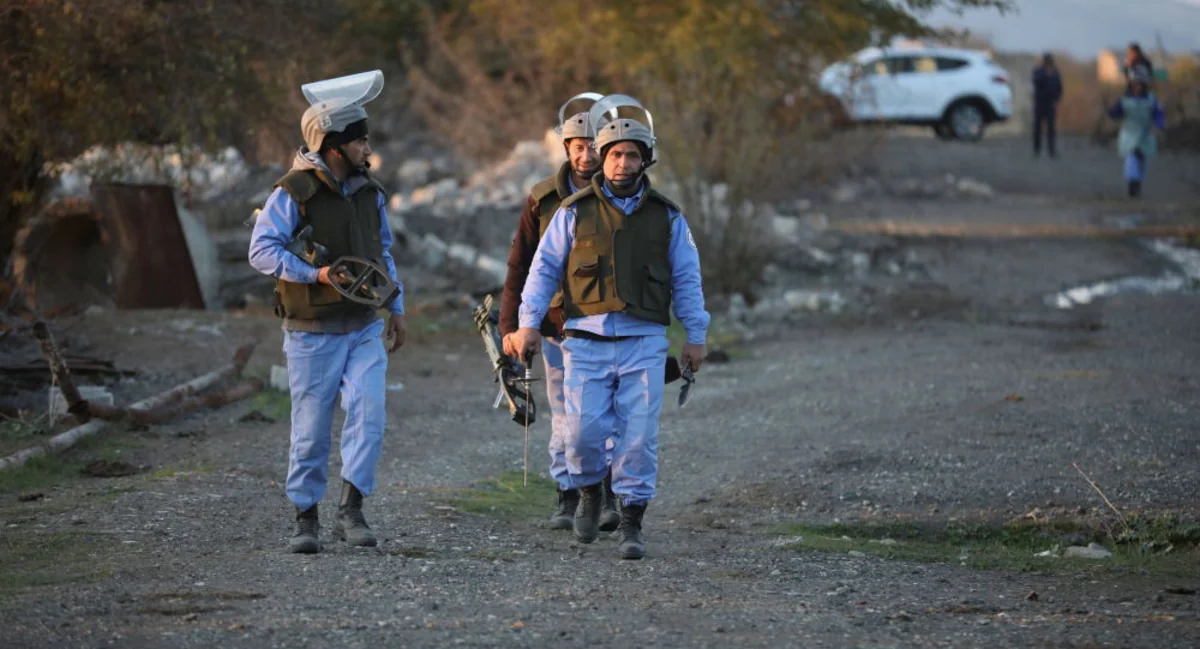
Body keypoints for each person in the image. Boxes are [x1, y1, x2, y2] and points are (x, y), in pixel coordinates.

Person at [510, 95, 710, 560]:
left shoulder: (667, 216)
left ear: (646, 160)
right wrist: (527, 325)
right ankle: (588, 492)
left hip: (643, 339)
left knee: (638, 434)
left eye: (632, 154)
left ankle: (632, 522)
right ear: (602, 157)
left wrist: (695, 334)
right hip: (585, 339)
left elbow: (686, 277)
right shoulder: (572, 211)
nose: (623, 162)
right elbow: (540, 271)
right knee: (580, 432)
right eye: (615, 154)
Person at [248, 70, 406, 554]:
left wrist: (396, 307)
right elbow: (261, 250)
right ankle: (305, 518)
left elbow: (383, 253)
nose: (367, 148)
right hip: (311, 332)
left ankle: (351, 510)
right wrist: (313, 274)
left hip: (362, 326)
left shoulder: (369, 192)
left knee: (369, 415)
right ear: (336, 146)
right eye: (360, 141)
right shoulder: (292, 193)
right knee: (311, 429)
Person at [499, 93, 622, 533]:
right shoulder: (542, 199)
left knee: (605, 413)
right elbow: (521, 264)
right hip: (554, 326)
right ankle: (568, 494)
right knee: (566, 415)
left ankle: (607, 494)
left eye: (595, 146)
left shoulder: (620, 195)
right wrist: (511, 326)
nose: (587, 155)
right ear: (567, 149)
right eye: (579, 146)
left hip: (606, 325)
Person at [1107, 69, 1166, 198]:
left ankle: (1138, 185)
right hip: (1129, 135)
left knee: (1142, 161)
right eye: (1135, 83)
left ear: (1144, 85)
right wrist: (1110, 112)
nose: (1137, 86)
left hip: (1146, 135)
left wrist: (1158, 125)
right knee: (1131, 160)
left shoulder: (1152, 100)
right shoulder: (1124, 99)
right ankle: (1132, 186)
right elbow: (1116, 112)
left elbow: (1159, 115)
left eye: (1139, 84)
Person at [1031, 52, 1062, 158]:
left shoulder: (1055, 72)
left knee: (1051, 129)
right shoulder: (1038, 71)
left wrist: (1057, 98)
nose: (1049, 63)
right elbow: (1036, 82)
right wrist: (1046, 75)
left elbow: (1059, 86)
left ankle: (1051, 151)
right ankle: (1037, 150)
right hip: (1040, 103)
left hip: (1050, 104)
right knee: (1037, 129)